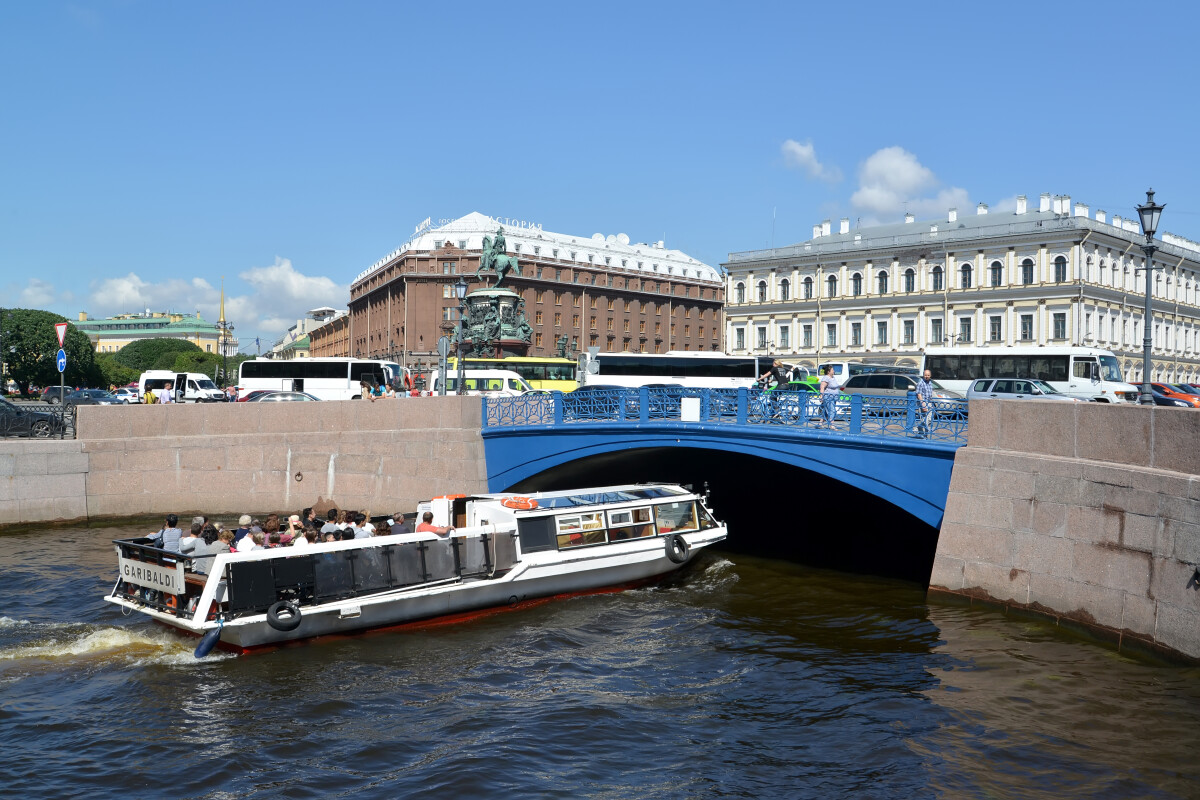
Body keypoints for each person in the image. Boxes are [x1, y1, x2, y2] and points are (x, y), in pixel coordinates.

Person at [916, 368, 935, 438]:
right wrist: (923, 404)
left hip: (929, 402)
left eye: (928, 375)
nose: (927, 376)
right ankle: (922, 433)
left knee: (929, 419)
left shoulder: (930, 382)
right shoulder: (920, 383)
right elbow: (919, 394)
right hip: (923, 402)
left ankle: (924, 433)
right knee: (924, 419)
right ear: (923, 375)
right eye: (925, 375)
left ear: (930, 375)